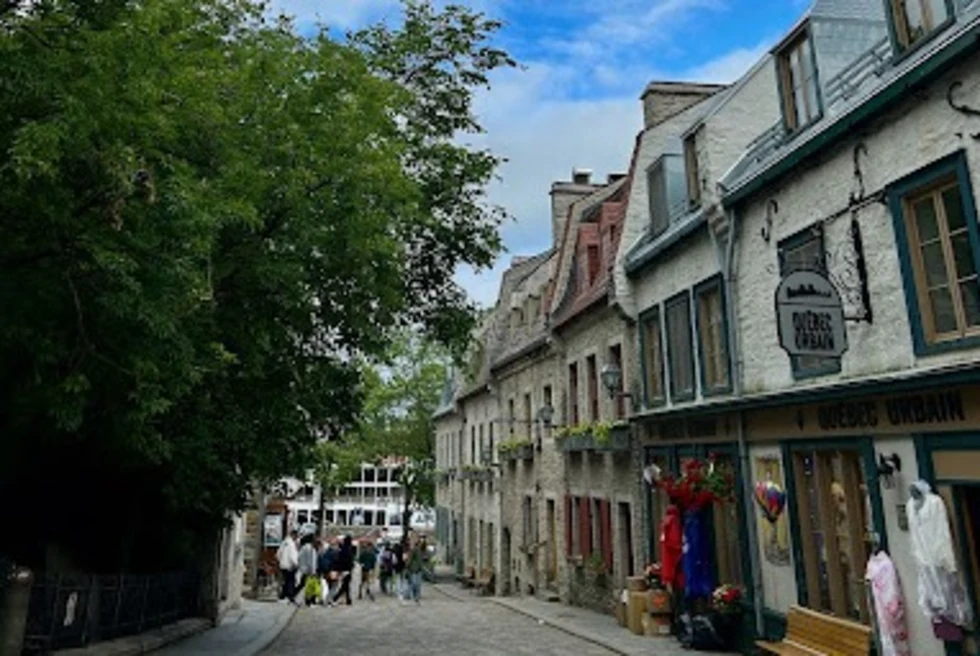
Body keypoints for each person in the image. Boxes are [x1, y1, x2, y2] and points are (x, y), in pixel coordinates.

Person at [330, 535, 355, 606]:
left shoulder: (344, 549)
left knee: (346, 585)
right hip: (347, 569)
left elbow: (340, 559)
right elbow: (346, 560)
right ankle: (336, 598)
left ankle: (348, 599)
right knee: (345, 585)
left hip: (345, 569)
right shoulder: (348, 549)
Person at [276, 530, 299, 604]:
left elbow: (278, 554)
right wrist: (296, 564)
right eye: (296, 536)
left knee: (286, 581)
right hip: (290, 565)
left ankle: (283, 596)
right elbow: (293, 556)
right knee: (290, 581)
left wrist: (280, 561)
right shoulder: (291, 544)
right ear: (294, 535)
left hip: (283, 565)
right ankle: (289, 596)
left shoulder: (284, 543)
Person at [297, 534, 318, 604]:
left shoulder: (305, 547)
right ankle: (309, 600)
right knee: (309, 585)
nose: (316, 540)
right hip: (309, 570)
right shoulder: (309, 548)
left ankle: (309, 599)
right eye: (314, 538)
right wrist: (312, 571)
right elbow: (311, 560)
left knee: (304, 584)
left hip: (306, 569)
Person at [404, 534, 425, 604]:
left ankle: (416, 596)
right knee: (415, 583)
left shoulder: (418, 550)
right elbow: (410, 559)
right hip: (415, 569)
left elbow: (411, 560)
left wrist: (407, 565)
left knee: (416, 583)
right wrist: (407, 566)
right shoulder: (416, 550)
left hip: (416, 569)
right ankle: (415, 595)